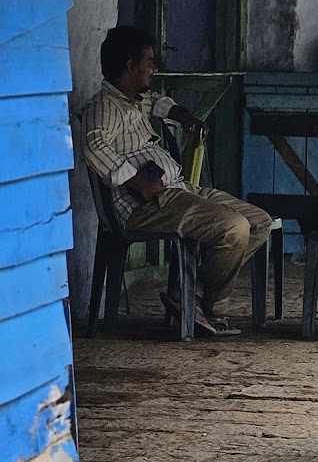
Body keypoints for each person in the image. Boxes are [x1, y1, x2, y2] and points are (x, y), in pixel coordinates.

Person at [81, 26, 273, 337]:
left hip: (179, 190)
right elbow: (93, 147)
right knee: (233, 227)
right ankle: (211, 308)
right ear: (130, 67)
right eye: (149, 62)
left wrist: (184, 116)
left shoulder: (133, 100)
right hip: (146, 203)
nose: (154, 69)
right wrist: (136, 180)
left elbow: (158, 102)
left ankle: (190, 292)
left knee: (259, 222)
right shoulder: (103, 107)